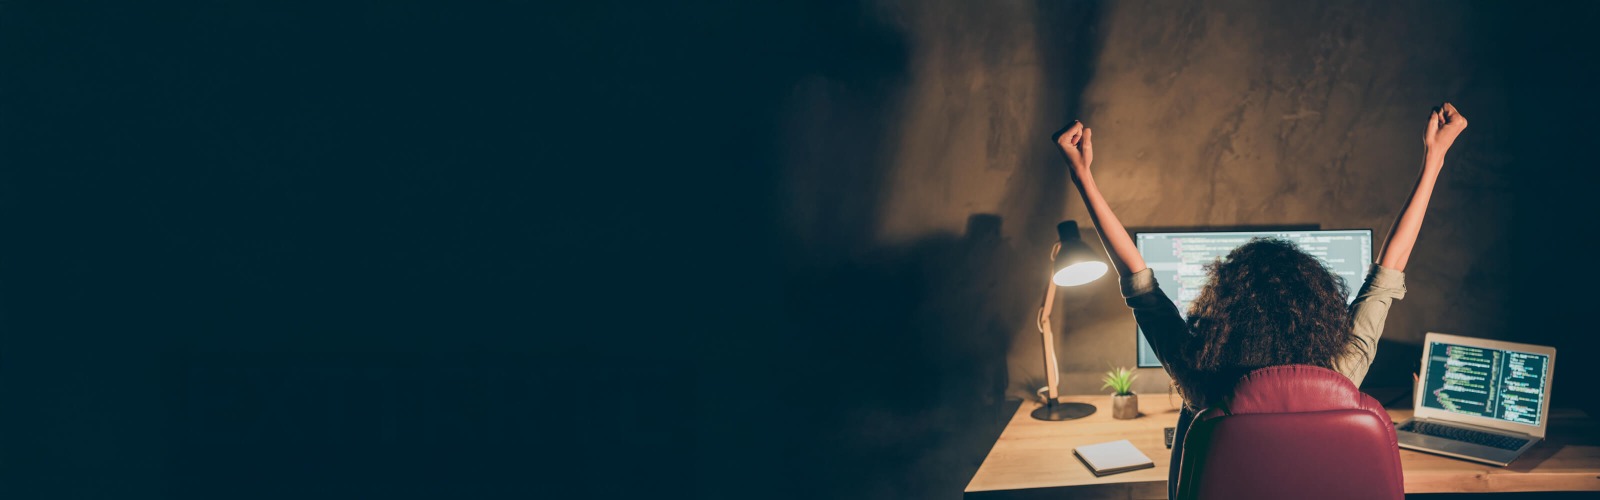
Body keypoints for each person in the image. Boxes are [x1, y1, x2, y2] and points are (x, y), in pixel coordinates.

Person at [1053, 103, 1468, 496]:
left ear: (1222, 311)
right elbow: (1388, 271)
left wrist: (1083, 177)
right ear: (1319, 309)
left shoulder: (1203, 383)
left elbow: (1138, 284)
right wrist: (1435, 159)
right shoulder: (1343, 372)